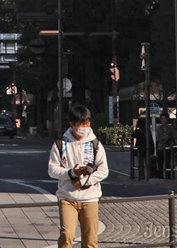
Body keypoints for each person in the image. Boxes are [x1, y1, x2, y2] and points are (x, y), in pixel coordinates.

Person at [48, 105, 109, 248]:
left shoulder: (96, 144)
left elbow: (103, 170)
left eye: (87, 123)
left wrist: (84, 181)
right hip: (67, 197)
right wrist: (71, 174)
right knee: (67, 235)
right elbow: (52, 170)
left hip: (90, 197)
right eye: (81, 123)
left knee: (90, 240)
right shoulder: (60, 145)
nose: (84, 127)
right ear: (72, 123)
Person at [157, 113, 174, 179]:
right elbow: (157, 138)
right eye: (162, 119)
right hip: (161, 147)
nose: (163, 120)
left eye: (165, 118)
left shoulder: (170, 128)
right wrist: (162, 138)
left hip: (168, 147)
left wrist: (169, 137)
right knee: (160, 162)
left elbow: (174, 136)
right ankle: (160, 176)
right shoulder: (159, 128)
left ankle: (168, 176)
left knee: (168, 162)